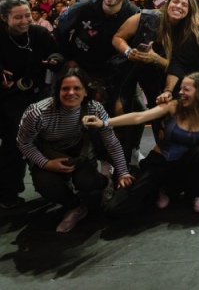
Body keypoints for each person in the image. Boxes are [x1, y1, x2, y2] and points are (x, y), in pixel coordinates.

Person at [85, 72, 199, 215]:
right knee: (117, 207)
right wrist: (104, 122)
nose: (180, 93)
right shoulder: (173, 106)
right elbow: (139, 117)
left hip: (184, 165)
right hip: (160, 162)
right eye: (181, 88)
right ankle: (161, 188)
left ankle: (196, 193)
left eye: (186, 89)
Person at [17, 68, 133, 232]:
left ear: (86, 91)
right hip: (48, 153)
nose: (71, 93)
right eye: (65, 89)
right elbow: (23, 143)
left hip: (78, 152)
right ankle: (76, 206)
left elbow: (111, 141)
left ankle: (105, 181)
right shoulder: (38, 112)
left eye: (77, 88)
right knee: (46, 185)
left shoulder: (95, 108)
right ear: (57, 91)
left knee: (87, 182)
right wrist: (46, 163)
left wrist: (122, 171)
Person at [111, 0, 199, 162]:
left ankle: (160, 165)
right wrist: (128, 51)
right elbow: (117, 37)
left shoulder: (191, 33)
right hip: (130, 70)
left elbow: (182, 68)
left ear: (190, 11)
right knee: (120, 115)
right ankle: (118, 165)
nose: (178, 6)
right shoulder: (145, 17)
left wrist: (156, 59)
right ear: (168, 3)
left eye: (184, 5)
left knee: (162, 122)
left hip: (163, 78)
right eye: (176, 2)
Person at [0, 0, 63, 209]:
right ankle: (8, 193)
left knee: (45, 139)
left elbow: (55, 52)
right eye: (18, 17)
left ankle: (52, 186)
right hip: (7, 99)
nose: (25, 20)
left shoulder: (39, 33)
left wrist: (55, 60)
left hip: (37, 94)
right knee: (13, 143)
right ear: (4, 18)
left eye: (28, 15)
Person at [54, 0, 139, 113]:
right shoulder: (82, 8)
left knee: (134, 109)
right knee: (82, 112)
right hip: (84, 68)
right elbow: (59, 31)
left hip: (116, 73)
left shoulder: (134, 14)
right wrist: (68, 58)